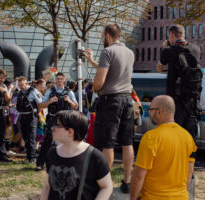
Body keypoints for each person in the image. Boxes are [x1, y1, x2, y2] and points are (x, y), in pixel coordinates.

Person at [83, 23, 135, 193]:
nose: (101, 38)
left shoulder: (107, 51)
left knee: (108, 144)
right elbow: (114, 70)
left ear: (107, 35)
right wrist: (92, 61)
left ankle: (106, 184)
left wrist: (95, 87)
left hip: (110, 101)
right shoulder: (129, 52)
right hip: (127, 100)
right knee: (127, 143)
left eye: (102, 35)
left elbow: (99, 82)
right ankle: (127, 182)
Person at [130, 95, 197, 200]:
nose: (149, 113)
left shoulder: (151, 137)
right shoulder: (188, 137)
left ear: (159, 112)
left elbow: (139, 175)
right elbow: (189, 173)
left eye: (151, 110)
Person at [40, 110, 113, 200]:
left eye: (57, 125)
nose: (52, 128)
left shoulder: (95, 157)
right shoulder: (52, 153)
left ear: (70, 132)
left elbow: (106, 187)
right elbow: (47, 186)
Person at [156, 24, 201, 141]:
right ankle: (190, 158)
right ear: (183, 34)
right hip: (192, 99)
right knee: (190, 135)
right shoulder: (196, 49)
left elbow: (159, 68)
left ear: (171, 35)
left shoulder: (168, 51)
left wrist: (164, 49)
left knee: (174, 133)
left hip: (175, 100)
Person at [35, 72, 78, 170]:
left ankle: (69, 164)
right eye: (57, 79)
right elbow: (41, 106)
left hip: (65, 120)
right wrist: (50, 101)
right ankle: (40, 163)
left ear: (64, 80)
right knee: (47, 142)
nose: (59, 80)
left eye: (61, 79)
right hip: (53, 119)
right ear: (55, 80)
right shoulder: (50, 91)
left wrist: (69, 101)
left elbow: (76, 106)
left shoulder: (69, 92)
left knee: (67, 142)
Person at [17, 77, 43, 163]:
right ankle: (28, 157)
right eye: (19, 85)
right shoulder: (20, 92)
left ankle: (32, 158)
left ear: (26, 84)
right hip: (23, 117)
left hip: (31, 117)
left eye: (22, 85)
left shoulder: (33, 91)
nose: (21, 87)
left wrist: (38, 114)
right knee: (25, 137)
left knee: (31, 137)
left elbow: (40, 103)